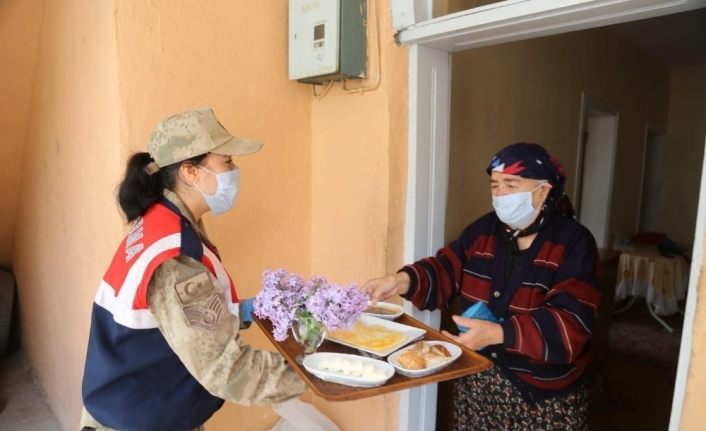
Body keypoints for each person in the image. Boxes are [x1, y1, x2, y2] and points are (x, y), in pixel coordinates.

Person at [80, 108, 305, 431]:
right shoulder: (174, 257)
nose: (235, 170)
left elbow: (175, 319)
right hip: (140, 419)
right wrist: (320, 372)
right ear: (190, 171)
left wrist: (249, 310)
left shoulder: (161, 220)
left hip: (132, 404)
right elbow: (227, 371)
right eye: (226, 162)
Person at [363, 143, 601, 430]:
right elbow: (447, 267)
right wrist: (401, 280)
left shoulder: (574, 242)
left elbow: (571, 321)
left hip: (541, 397)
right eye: (495, 185)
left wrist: (498, 333)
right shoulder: (484, 230)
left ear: (544, 190)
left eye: (511, 184)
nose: (500, 194)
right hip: (479, 381)